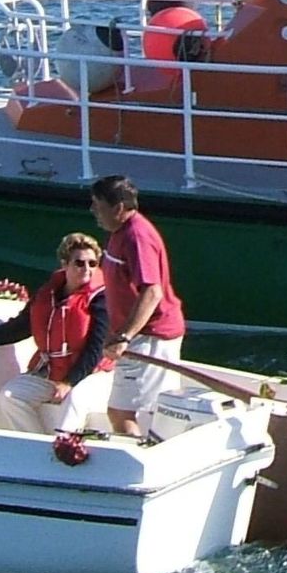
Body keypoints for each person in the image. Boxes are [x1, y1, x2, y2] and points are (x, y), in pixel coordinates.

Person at [0, 232, 113, 434]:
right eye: (79, 263)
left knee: (73, 402)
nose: (87, 269)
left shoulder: (101, 298)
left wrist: (69, 382)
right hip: (52, 372)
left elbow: (96, 349)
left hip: (93, 374)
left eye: (92, 263)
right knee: (10, 396)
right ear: (65, 264)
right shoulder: (48, 293)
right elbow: (23, 325)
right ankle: (38, 450)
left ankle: (64, 449)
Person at [89, 174, 188, 438]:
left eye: (98, 206)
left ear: (118, 208)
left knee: (121, 413)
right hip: (140, 335)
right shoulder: (119, 233)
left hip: (150, 336)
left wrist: (124, 336)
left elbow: (152, 291)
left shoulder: (137, 237)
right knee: (144, 409)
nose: (93, 212)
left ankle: (136, 468)